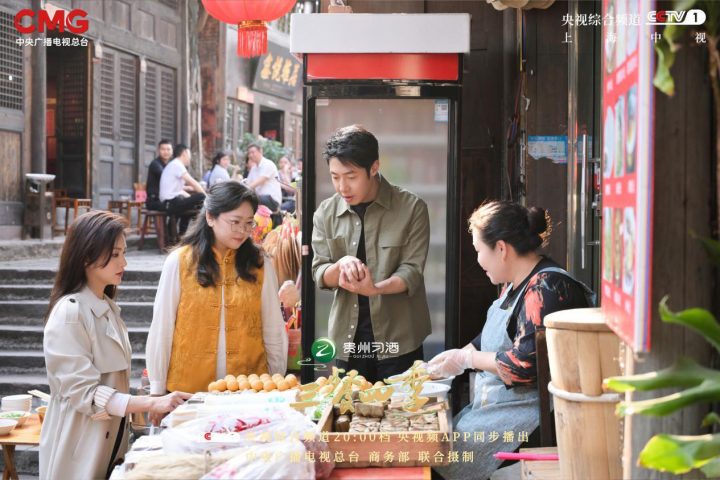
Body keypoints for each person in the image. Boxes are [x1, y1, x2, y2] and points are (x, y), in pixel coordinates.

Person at [429, 201, 594, 480]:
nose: (479, 261)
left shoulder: (547, 288)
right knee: (439, 445)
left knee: (446, 457)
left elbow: (523, 366)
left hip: (532, 420)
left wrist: (467, 360)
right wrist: (459, 355)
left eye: (479, 251)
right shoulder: (513, 284)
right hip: (497, 408)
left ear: (502, 249)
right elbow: (490, 338)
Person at [40, 211, 191, 480]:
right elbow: (84, 393)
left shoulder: (108, 309)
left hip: (109, 444)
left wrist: (147, 402)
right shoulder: (70, 313)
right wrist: (149, 403)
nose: (124, 262)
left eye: (123, 252)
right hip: (79, 450)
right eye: (115, 254)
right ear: (87, 255)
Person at [146, 182, 288, 418]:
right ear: (210, 217)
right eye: (235, 222)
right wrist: (157, 391)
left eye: (248, 223)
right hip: (187, 393)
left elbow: (273, 329)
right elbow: (162, 328)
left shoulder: (260, 264)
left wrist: (276, 382)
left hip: (248, 393)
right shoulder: (180, 262)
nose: (242, 230)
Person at [311, 125, 431, 383]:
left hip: (398, 340)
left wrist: (374, 289)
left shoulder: (412, 208)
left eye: (351, 176)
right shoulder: (325, 212)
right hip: (348, 341)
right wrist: (340, 265)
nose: (342, 186)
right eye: (335, 177)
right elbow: (319, 271)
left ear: (374, 167)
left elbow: (412, 271)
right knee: (349, 416)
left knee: (401, 415)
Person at [159, 144, 206, 235]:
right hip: (171, 203)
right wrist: (206, 197)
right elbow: (193, 182)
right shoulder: (177, 165)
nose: (190, 158)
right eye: (189, 155)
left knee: (191, 208)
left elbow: (178, 190)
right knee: (201, 196)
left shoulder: (173, 164)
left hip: (169, 203)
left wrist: (191, 199)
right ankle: (184, 235)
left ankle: (181, 236)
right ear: (184, 153)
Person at [245, 143, 282, 212]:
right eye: (249, 153)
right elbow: (248, 184)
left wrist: (243, 190)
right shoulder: (253, 169)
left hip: (271, 200)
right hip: (261, 199)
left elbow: (258, 182)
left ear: (260, 151)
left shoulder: (268, 164)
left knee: (249, 200)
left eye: (253, 152)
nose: (250, 155)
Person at [145, 139, 173, 211]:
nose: (166, 152)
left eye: (168, 149)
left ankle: (171, 223)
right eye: (163, 149)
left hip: (165, 199)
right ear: (158, 151)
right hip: (154, 200)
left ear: (172, 151)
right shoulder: (155, 164)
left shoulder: (171, 164)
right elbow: (167, 177)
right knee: (177, 206)